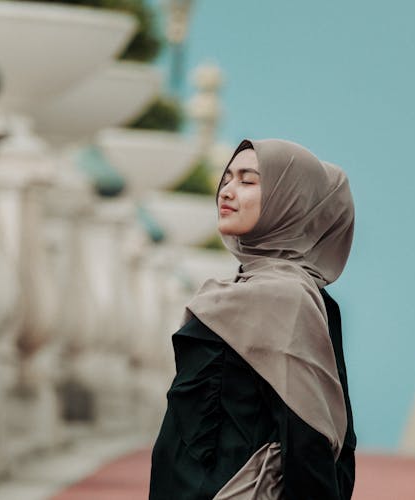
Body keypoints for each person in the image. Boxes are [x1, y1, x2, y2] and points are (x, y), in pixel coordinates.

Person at [149, 139, 356, 500]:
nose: (227, 191)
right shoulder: (235, 289)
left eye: (247, 181)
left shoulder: (288, 298)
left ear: (289, 201)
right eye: (227, 178)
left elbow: (308, 436)